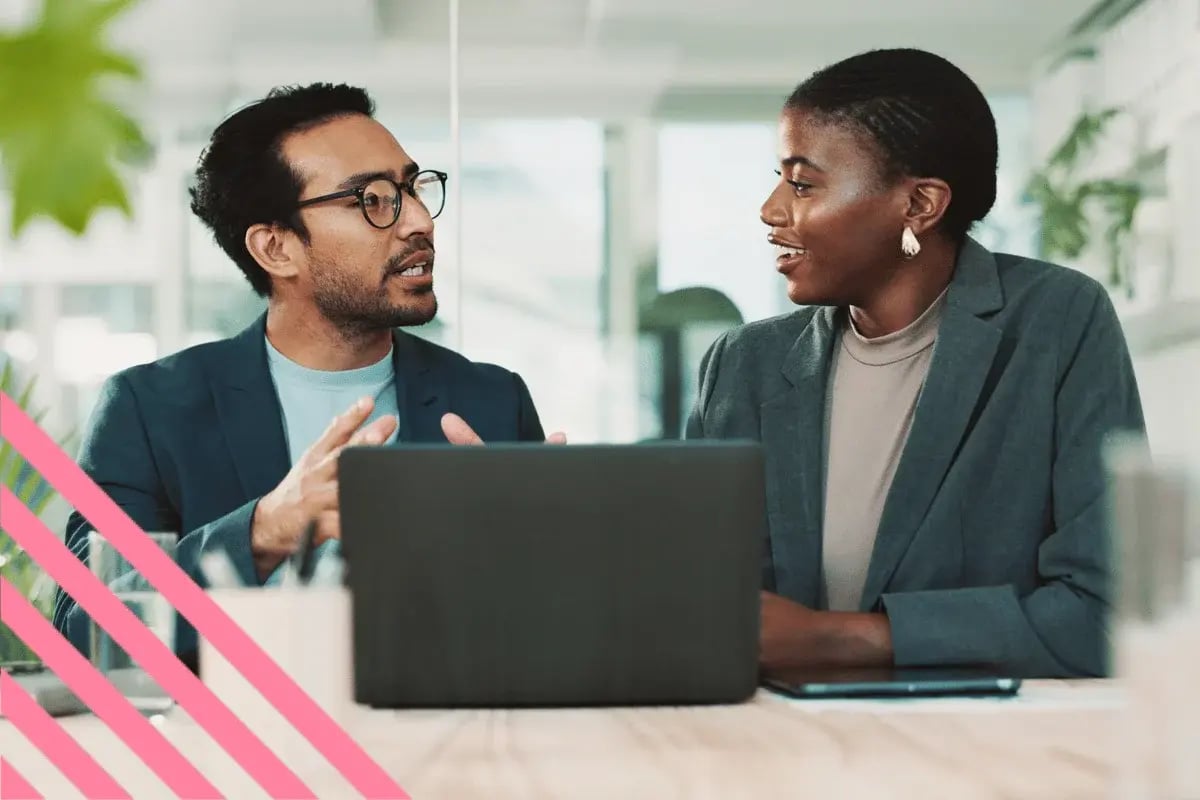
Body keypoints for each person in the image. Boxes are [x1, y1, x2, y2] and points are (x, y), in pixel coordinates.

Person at [55, 83, 563, 667]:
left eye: (413, 188)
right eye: (373, 199)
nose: (419, 220)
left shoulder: (491, 400)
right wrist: (261, 532)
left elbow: (551, 640)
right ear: (276, 248)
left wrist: (537, 556)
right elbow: (87, 638)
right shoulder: (149, 409)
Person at [685, 48, 1146, 679]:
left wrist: (844, 641)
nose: (772, 210)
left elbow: (1107, 616)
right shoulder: (743, 365)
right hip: (781, 753)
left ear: (919, 205)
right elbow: (697, 605)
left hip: (985, 757)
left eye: (802, 183)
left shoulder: (1057, 321)